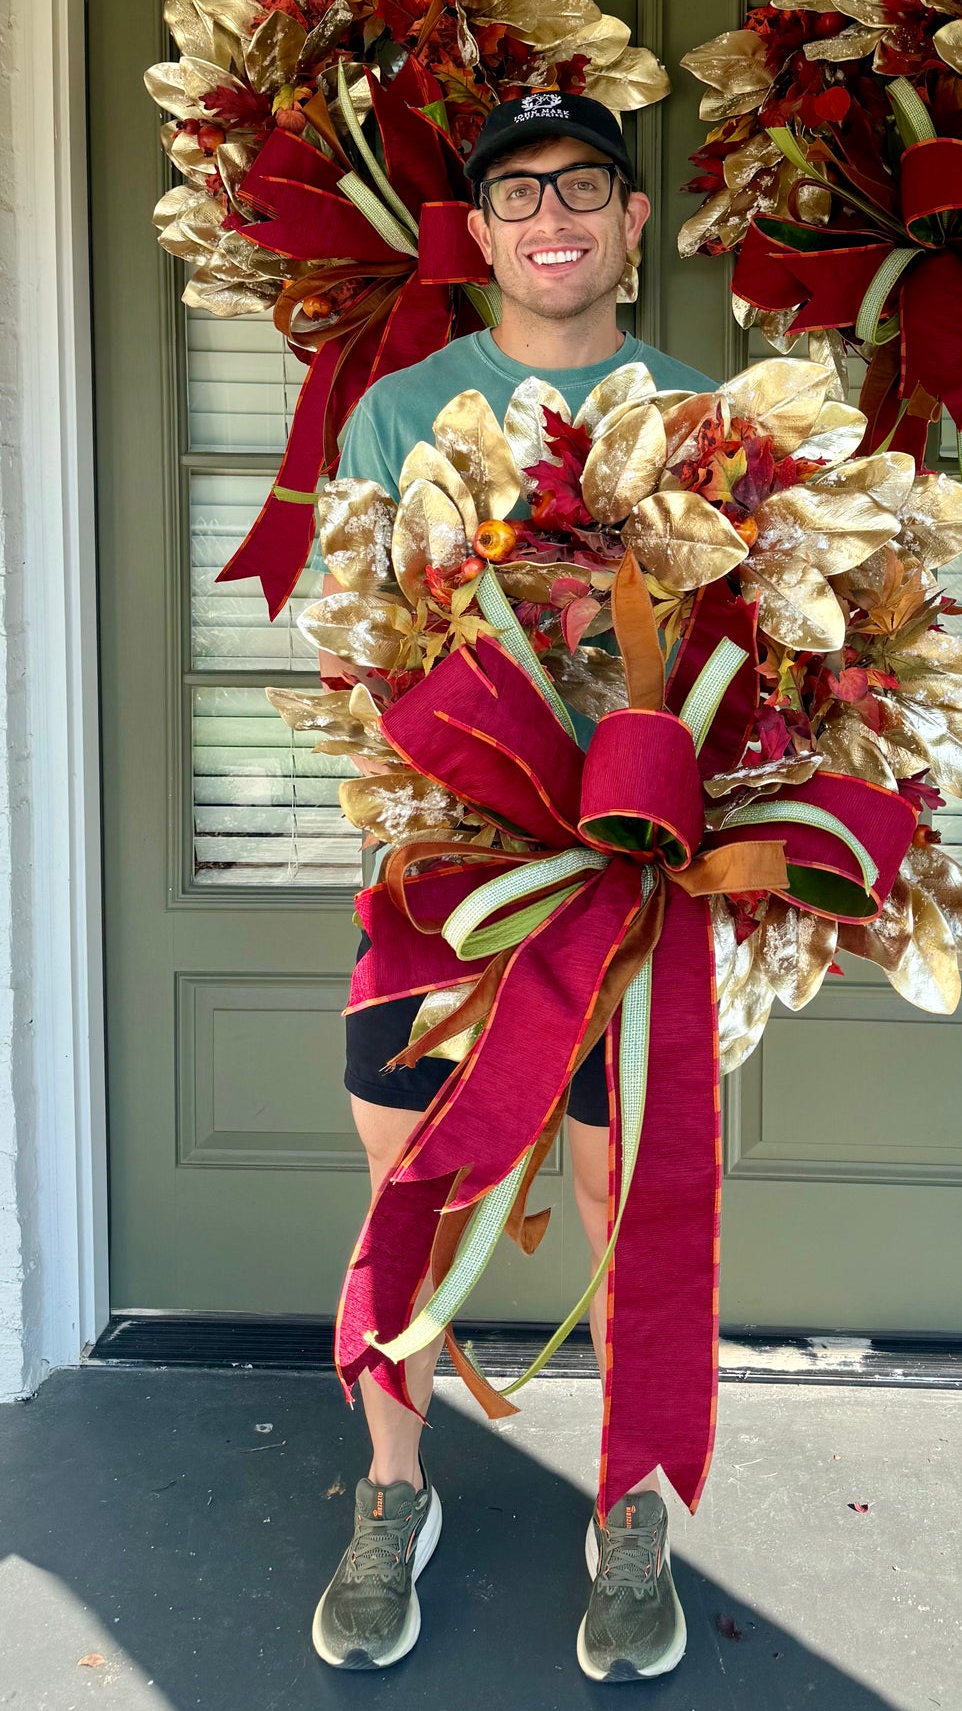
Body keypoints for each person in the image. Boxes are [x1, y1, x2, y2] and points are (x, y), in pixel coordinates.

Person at [310, 90, 714, 1682]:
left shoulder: (702, 415)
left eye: (584, 186)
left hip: (632, 896)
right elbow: (351, 646)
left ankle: (629, 1516)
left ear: (630, 221)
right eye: (519, 193)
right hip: (442, 885)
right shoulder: (398, 414)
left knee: (628, 1206)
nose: (553, 217)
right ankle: (390, 1498)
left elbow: (755, 667)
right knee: (408, 1192)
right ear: (478, 233)